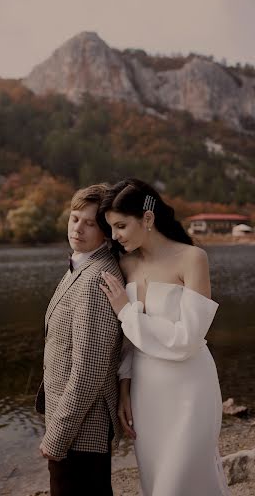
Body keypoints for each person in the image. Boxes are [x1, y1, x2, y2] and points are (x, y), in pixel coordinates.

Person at [99, 178, 230, 496]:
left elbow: (189, 337)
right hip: (146, 393)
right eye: (111, 228)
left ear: (147, 218)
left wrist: (126, 312)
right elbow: (129, 343)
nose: (115, 236)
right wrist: (125, 389)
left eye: (120, 226)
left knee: (180, 483)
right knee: (156, 482)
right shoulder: (125, 263)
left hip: (189, 390)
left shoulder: (192, 258)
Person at [35, 183, 124, 496]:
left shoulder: (97, 279)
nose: (78, 229)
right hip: (77, 423)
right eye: (75, 219)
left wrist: (57, 435)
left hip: (83, 431)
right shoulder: (82, 264)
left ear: (106, 232)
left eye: (90, 223)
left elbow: (90, 370)